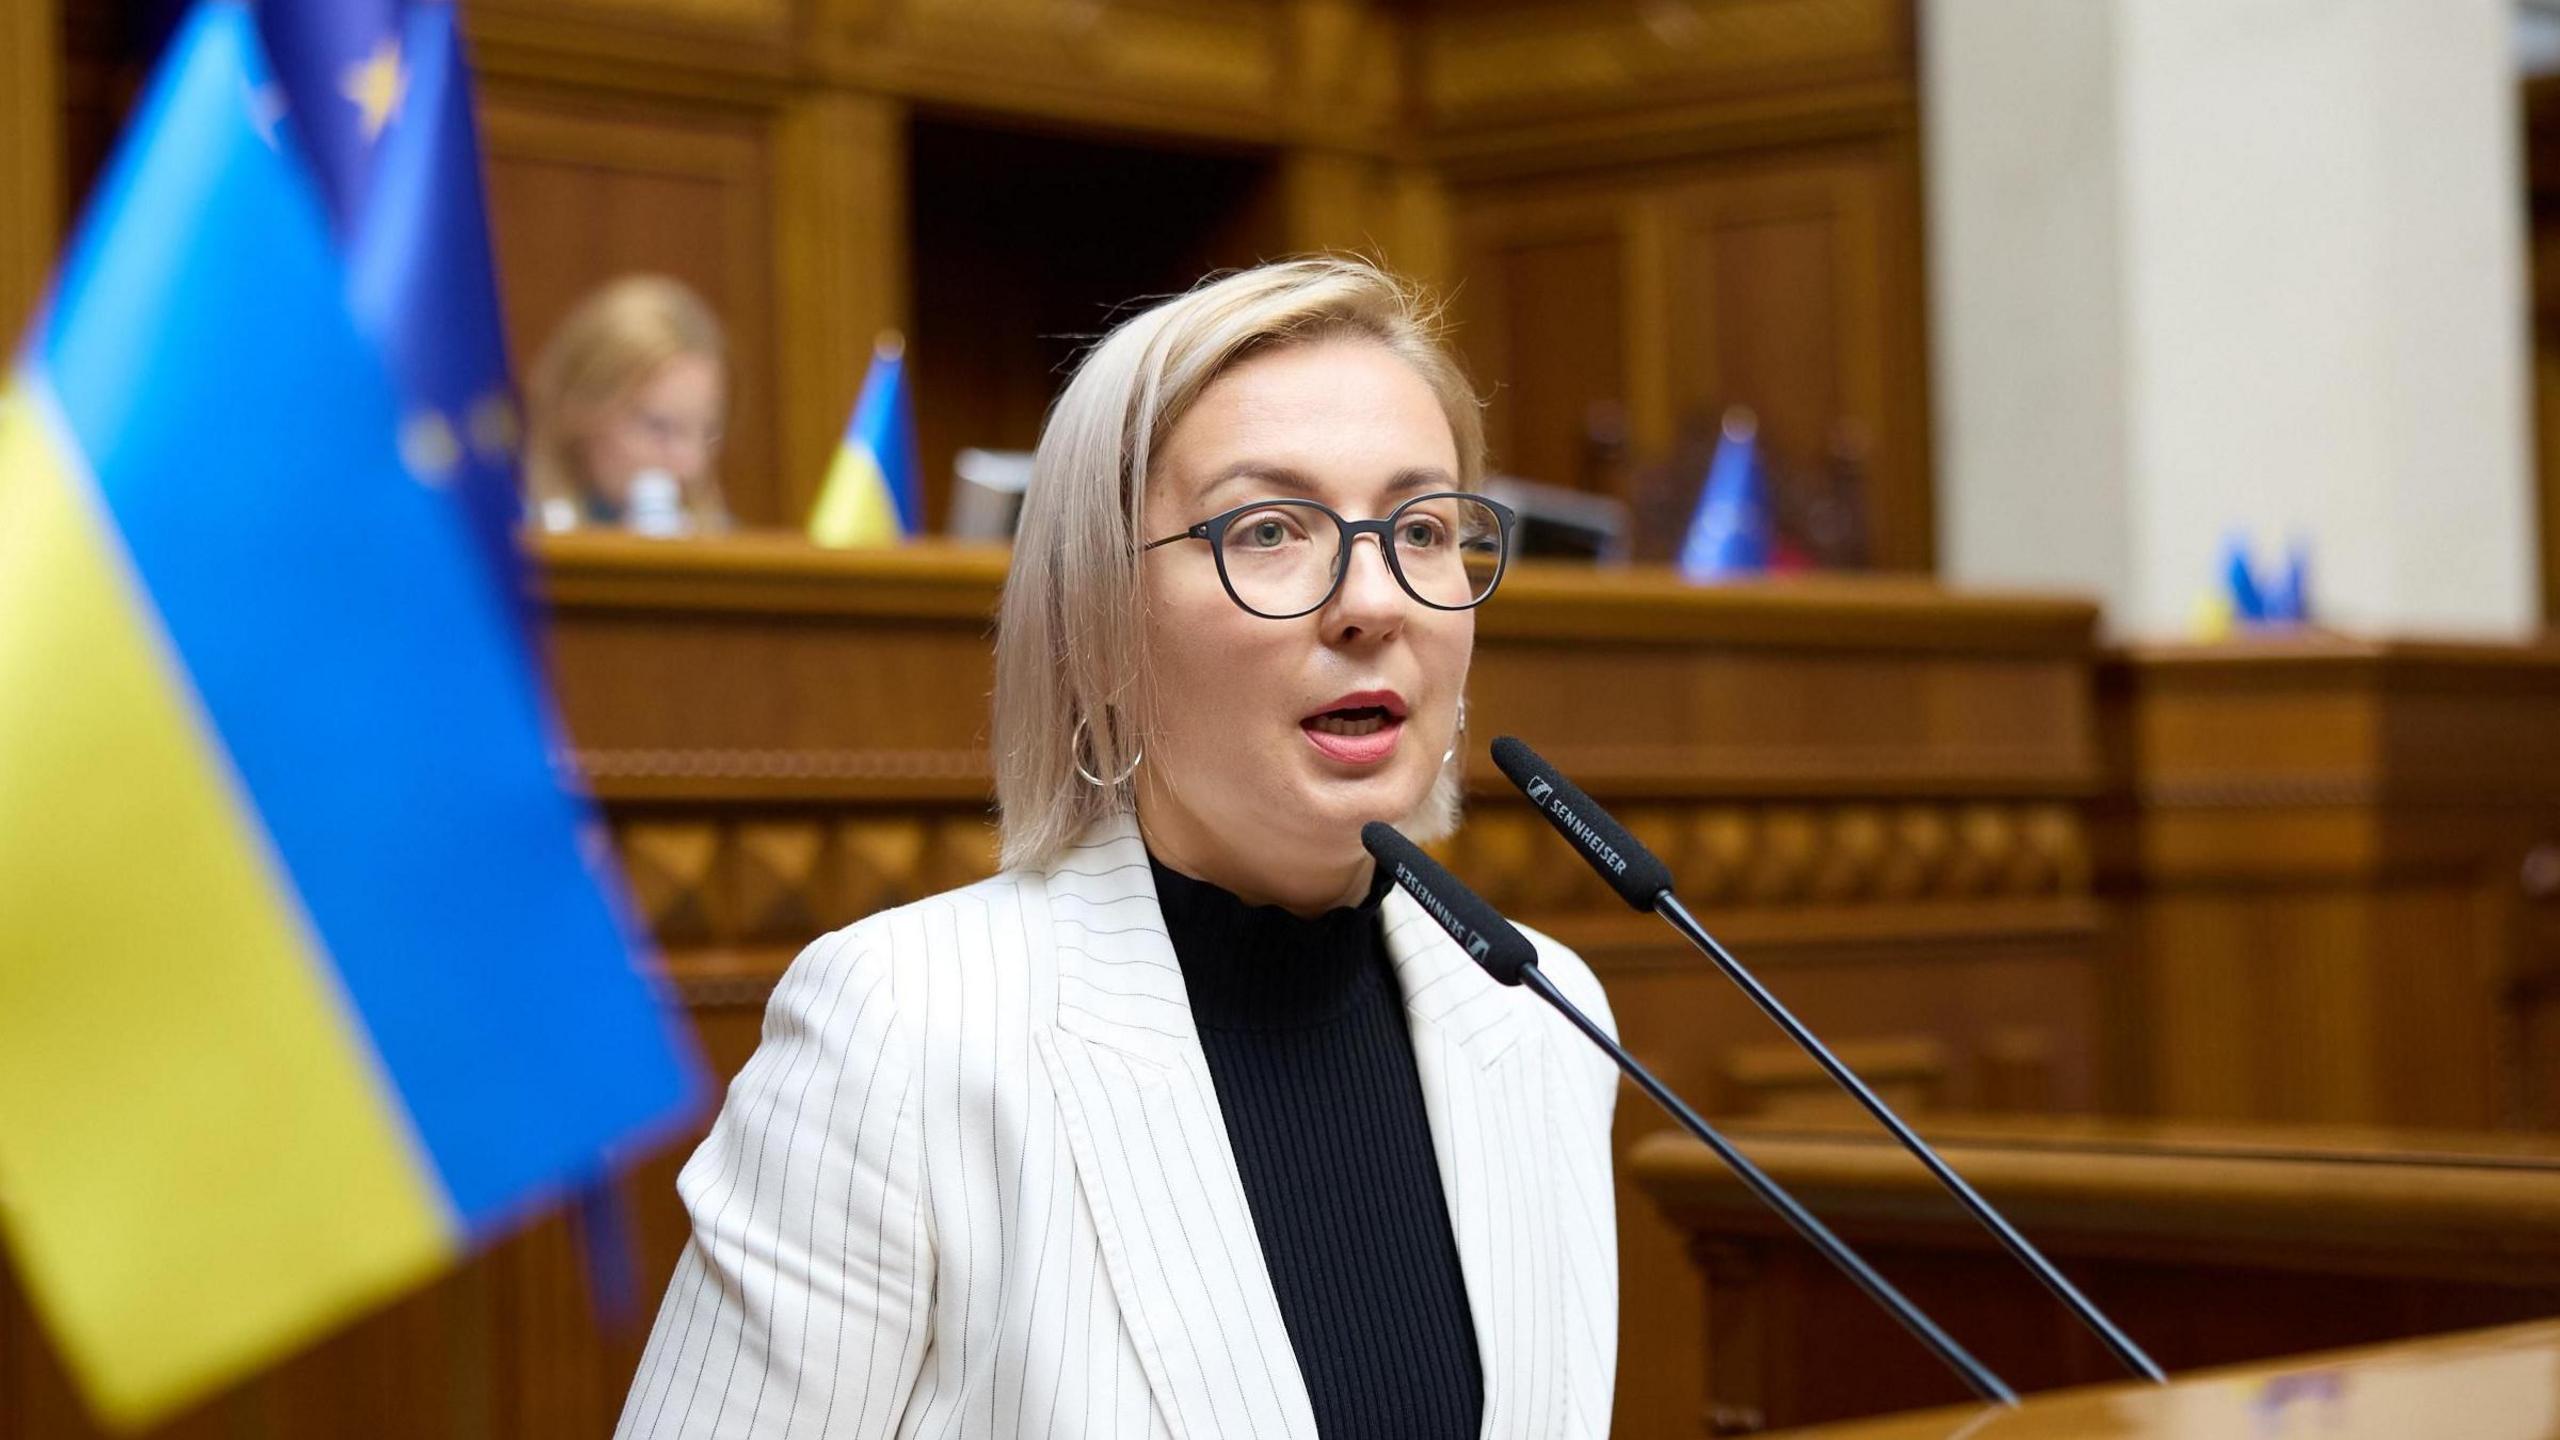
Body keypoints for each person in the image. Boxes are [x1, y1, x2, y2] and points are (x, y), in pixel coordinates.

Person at [615, 258, 1620, 1439]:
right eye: (1269, 529)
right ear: (1097, 628)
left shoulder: (1541, 1016)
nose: (1373, 600)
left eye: (1424, 527)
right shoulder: (900, 1033)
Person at [524, 274, 733, 534]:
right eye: (659, 427)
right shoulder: (505, 544)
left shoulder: (724, 548)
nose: (691, 466)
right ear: (578, 410)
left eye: (708, 434)